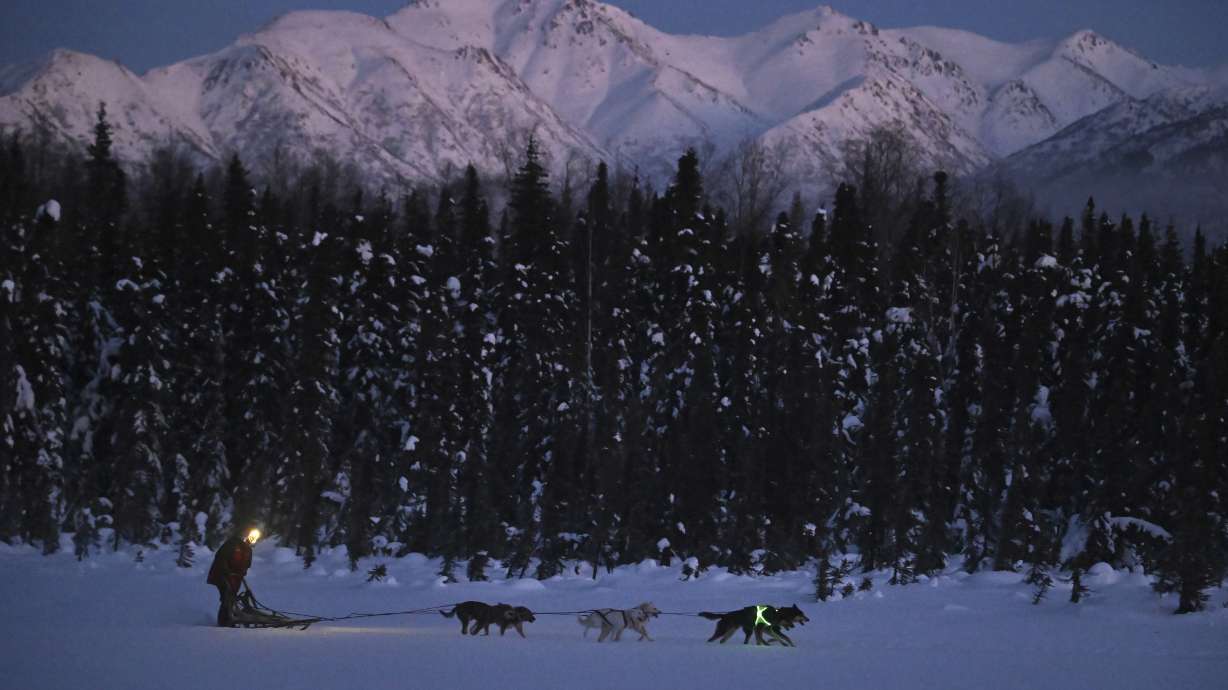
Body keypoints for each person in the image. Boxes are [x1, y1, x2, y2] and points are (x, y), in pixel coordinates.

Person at [207, 527, 260, 627]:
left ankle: (229, 616)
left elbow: (247, 564)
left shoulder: (248, 550)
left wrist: (242, 572)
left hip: (236, 577)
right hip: (222, 575)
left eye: (254, 538)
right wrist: (226, 571)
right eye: (251, 536)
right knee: (227, 596)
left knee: (232, 596)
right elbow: (221, 557)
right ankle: (224, 621)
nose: (252, 539)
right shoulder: (232, 544)